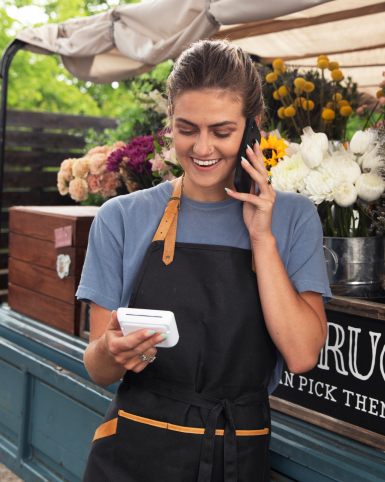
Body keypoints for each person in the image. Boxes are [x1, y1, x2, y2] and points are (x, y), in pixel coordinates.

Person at [78, 39, 331, 482]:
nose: (202, 148)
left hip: (235, 455)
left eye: (222, 131)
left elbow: (302, 353)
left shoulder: (293, 218)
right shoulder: (121, 217)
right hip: (131, 455)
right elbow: (98, 369)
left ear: (253, 127)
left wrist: (261, 238)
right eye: (187, 128)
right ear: (170, 123)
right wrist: (111, 351)